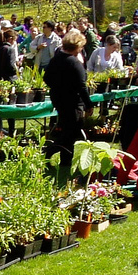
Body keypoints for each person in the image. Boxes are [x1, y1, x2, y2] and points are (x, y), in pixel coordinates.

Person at [43, 30, 93, 179]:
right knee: (72, 130)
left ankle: (66, 159)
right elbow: (81, 86)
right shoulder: (74, 63)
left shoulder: (55, 59)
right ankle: (49, 152)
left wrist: (58, 87)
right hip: (72, 101)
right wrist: (88, 104)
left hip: (58, 99)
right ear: (77, 47)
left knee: (67, 128)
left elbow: (47, 78)